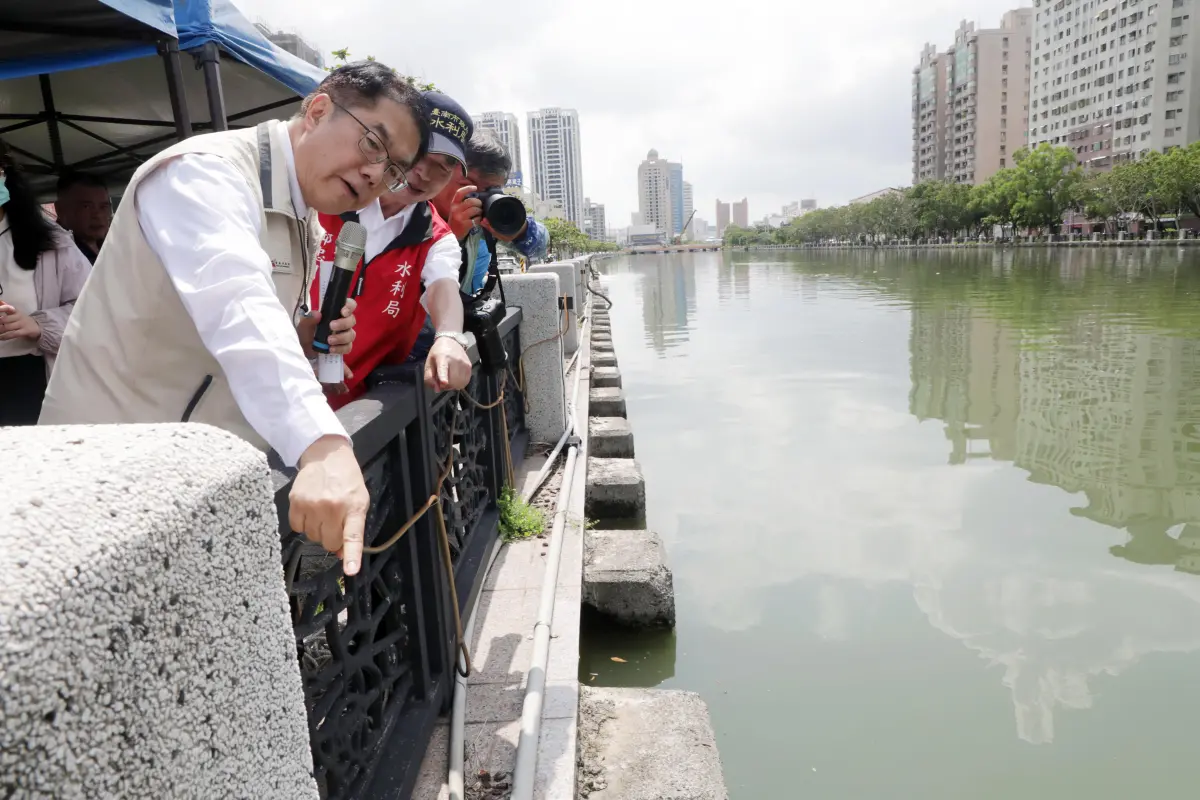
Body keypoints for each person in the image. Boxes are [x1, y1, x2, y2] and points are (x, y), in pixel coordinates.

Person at [40, 62, 428, 576]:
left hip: (192, 488)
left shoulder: (301, 208)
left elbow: (242, 327)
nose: (377, 175)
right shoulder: (202, 173)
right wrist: (323, 445)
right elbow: (238, 308)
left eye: (394, 170)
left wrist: (302, 337)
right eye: (373, 145)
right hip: (103, 487)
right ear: (317, 110)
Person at [312, 90, 473, 409]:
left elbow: (444, 286)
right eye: (421, 154)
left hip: (354, 410)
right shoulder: (325, 197)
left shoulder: (435, 236)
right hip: (266, 390)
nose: (426, 173)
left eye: (444, 166)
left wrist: (450, 337)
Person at [0, 140, 92, 425]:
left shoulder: (50, 240)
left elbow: (93, 307)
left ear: (4, 172)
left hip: (27, 378)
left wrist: (39, 325)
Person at [433, 129, 549, 294]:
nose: (476, 199)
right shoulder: (410, 213)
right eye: (468, 186)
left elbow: (540, 248)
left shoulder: (483, 220)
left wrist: (519, 230)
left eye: (490, 190)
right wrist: (451, 238)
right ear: (439, 172)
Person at [54, 172, 112, 264]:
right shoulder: (55, 256)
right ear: (60, 209)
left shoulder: (113, 245)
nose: (98, 215)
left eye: (103, 207)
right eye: (86, 206)